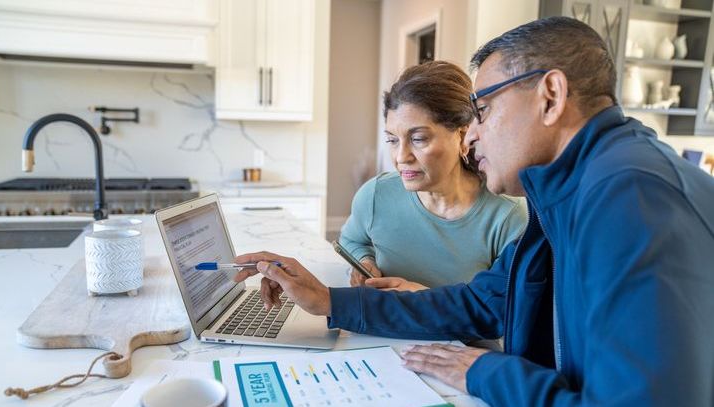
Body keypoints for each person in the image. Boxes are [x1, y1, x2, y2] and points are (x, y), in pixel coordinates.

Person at [233, 16, 714, 406]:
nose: (474, 134)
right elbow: (479, 303)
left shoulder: (632, 197)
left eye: (482, 110)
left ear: (550, 96)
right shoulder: (568, 190)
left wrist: (486, 372)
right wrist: (331, 302)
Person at [341, 61, 526, 291]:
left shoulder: (507, 217)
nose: (401, 157)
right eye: (392, 140)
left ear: (462, 135)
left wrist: (420, 298)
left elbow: (505, 311)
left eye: (418, 139)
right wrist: (364, 261)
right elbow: (351, 240)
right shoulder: (375, 195)